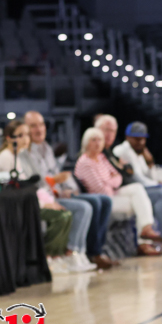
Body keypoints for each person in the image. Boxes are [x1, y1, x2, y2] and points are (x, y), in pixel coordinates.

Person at [25, 110, 114, 270]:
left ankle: (92, 250)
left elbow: (60, 175)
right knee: (86, 206)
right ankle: (73, 251)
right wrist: (56, 186)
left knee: (103, 200)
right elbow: (39, 183)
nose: (39, 129)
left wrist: (69, 189)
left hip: (60, 193)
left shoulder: (47, 148)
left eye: (41, 125)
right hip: (48, 198)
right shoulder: (27, 153)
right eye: (33, 126)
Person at [0, 120, 74, 274]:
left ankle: (56, 255)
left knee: (66, 214)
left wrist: (48, 202)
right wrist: (44, 204)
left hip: (27, 203)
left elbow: (31, 186)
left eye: (27, 135)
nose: (26, 139)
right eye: (20, 135)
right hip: (14, 207)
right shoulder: (6, 158)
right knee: (60, 217)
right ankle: (47, 256)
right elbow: (16, 190)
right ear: (9, 138)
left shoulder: (19, 156)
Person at [77, 126, 162, 256]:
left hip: (112, 193)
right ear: (86, 142)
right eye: (93, 140)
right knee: (140, 205)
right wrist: (110, 181)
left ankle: (146, 230)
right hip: (103, 200)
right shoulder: (85, 162)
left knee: (137, 188)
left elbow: (118, 177)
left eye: (100, 140)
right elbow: (100, 189)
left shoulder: (102, 158)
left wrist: (108, 181)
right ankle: (143, 243)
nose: (97, 143)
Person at [113, 121, 162, 252]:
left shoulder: (139, 152)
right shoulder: (122, 151)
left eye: (143, 139)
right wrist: (157, 184)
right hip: (128, 190)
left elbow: (149, 177)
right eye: (137, 139)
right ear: (128, 137)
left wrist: (150, 163)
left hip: (140, 190)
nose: (141, 142)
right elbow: (136, 178)